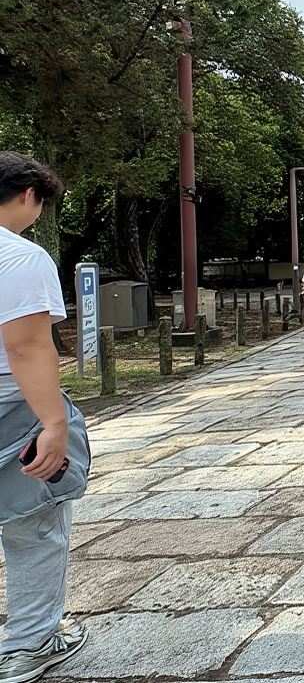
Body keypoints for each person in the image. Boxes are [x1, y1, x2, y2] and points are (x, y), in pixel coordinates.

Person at [0, 152, 91, 682]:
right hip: (11, 406)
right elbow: (27, 347)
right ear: (30, 195)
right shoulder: (19, 257)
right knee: (33, 527)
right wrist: (53, 424)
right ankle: (30, 643)